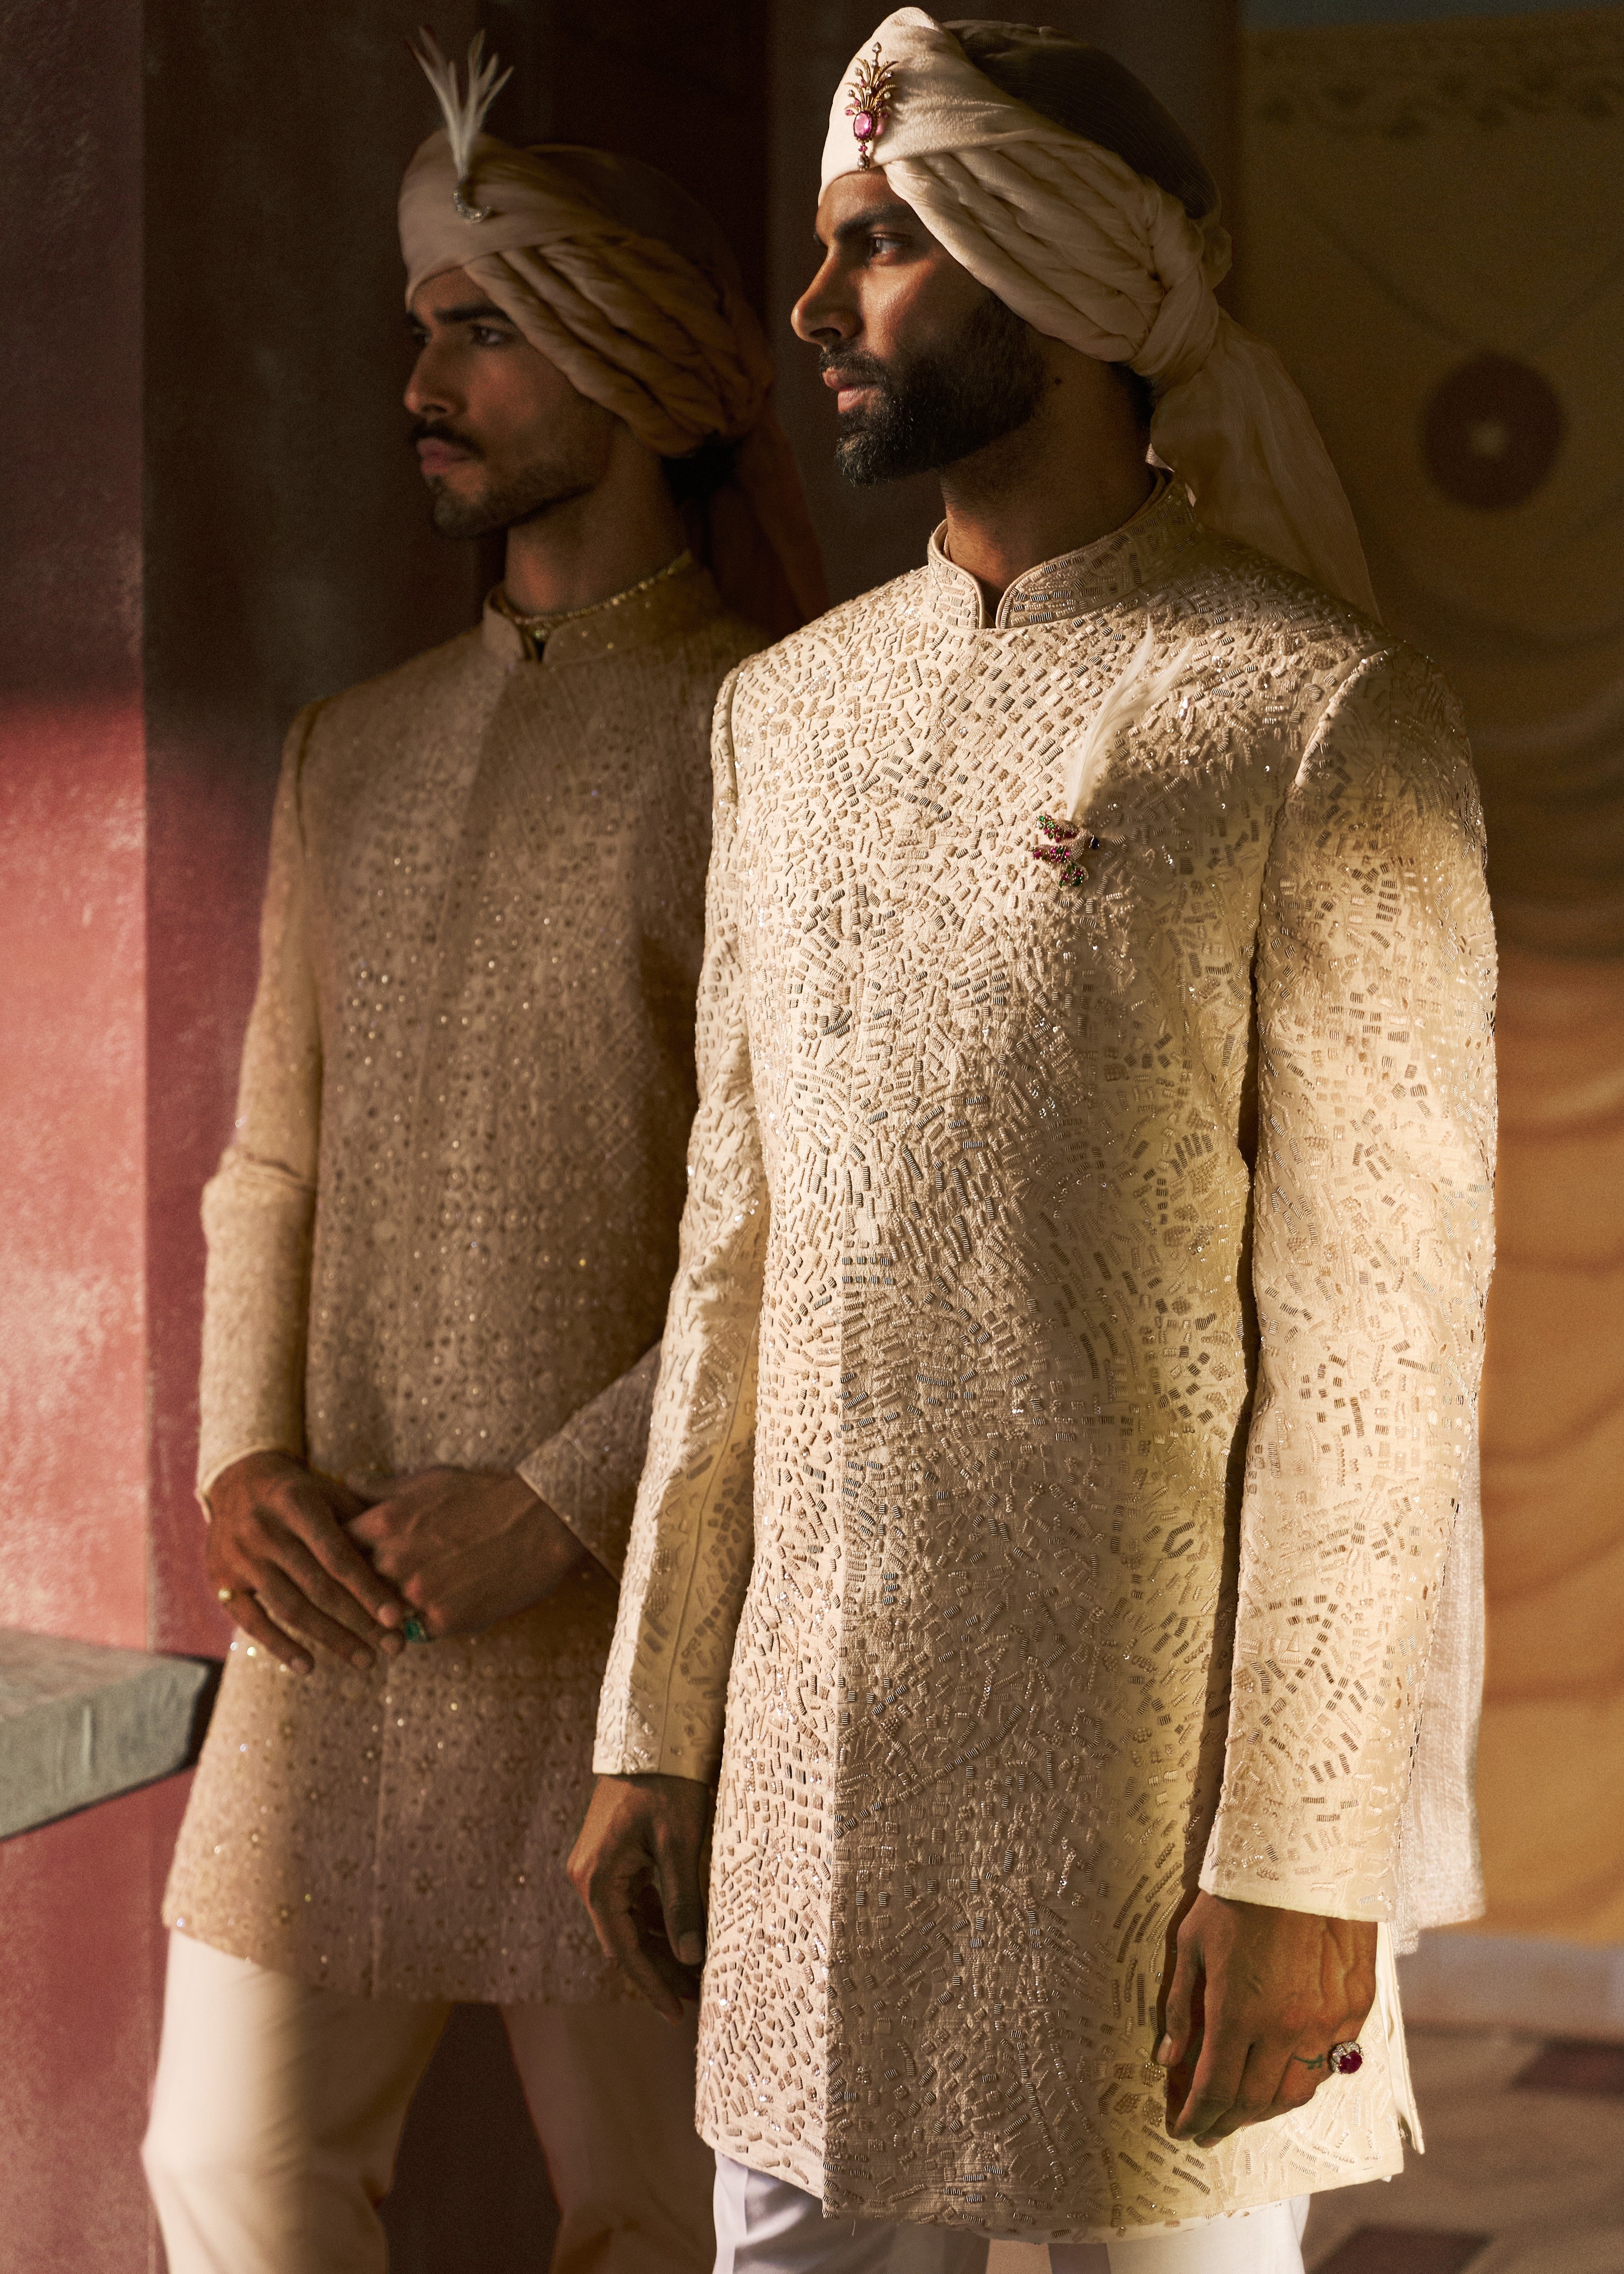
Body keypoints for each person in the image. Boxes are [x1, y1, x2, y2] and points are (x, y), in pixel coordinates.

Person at [570, 13, 1495, 2272]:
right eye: (825, 249)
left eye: (877, 247)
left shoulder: (1310, 713)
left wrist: (1303, 1857)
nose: (815, 311)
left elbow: (1373, 1359)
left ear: (1057, 279)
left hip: (1156, 1817)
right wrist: (652, 1716)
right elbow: (731, 1257)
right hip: (810, 1788)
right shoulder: (781, 719)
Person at [141, 37, 823, 2274]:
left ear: (636, 365)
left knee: (654, 2219)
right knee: (225, 2165)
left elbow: (817, 1218)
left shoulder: (778, 736)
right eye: (418, 325)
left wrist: (561, 1501)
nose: (418, 381)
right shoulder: (351, 750)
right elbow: (269, 1161)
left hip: (631, 1637)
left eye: (482, 328)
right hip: (336, 1623)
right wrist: (242, 1461)